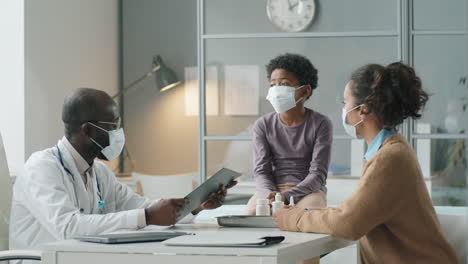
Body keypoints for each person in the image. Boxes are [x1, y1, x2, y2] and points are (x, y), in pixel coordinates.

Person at [10, 88, 236, 253]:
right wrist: (146, 217)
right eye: (113, 126)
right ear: (87, 130)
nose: (119, 133)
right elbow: (68, 227)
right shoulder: (42, 167)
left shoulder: (98, 172)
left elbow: (141, 207)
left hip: (82, 258)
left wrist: (195, 206)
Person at [274, 62, 457, 263]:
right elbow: (354, 211)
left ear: (364, 109)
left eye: (345, 102)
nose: (343, 110)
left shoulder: (391, 157)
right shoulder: (386, 152)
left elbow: (348, 222)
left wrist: (293, 218)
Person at [246, 53, 332, 215]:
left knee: (303, 218)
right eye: (273, 85)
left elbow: (318, 173)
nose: (276, 90)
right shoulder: (263, 124)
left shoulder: (320, 123)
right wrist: (269, 194)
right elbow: (261, 170)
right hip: (272, 190)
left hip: (309, 191)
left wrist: (286, 196)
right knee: (250, 216)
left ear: (305, 91)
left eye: (284, 84)